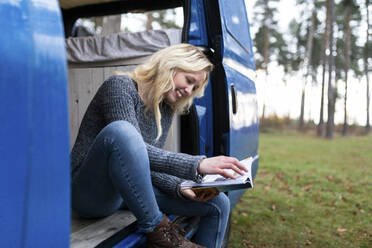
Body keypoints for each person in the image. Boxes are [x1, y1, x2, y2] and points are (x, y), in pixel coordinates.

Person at [70, 44, 248, 248]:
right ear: (170, 66)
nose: (189, 90)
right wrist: (198, 164)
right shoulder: (119, 86)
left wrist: (179, 186)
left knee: (217, 204)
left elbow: (143, 166)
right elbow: (131, 151)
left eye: (195, 88)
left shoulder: (166, 108)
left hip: (124, 191)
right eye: (189, 80)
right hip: (89, 193)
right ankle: (159, 232)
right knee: (122, 132)